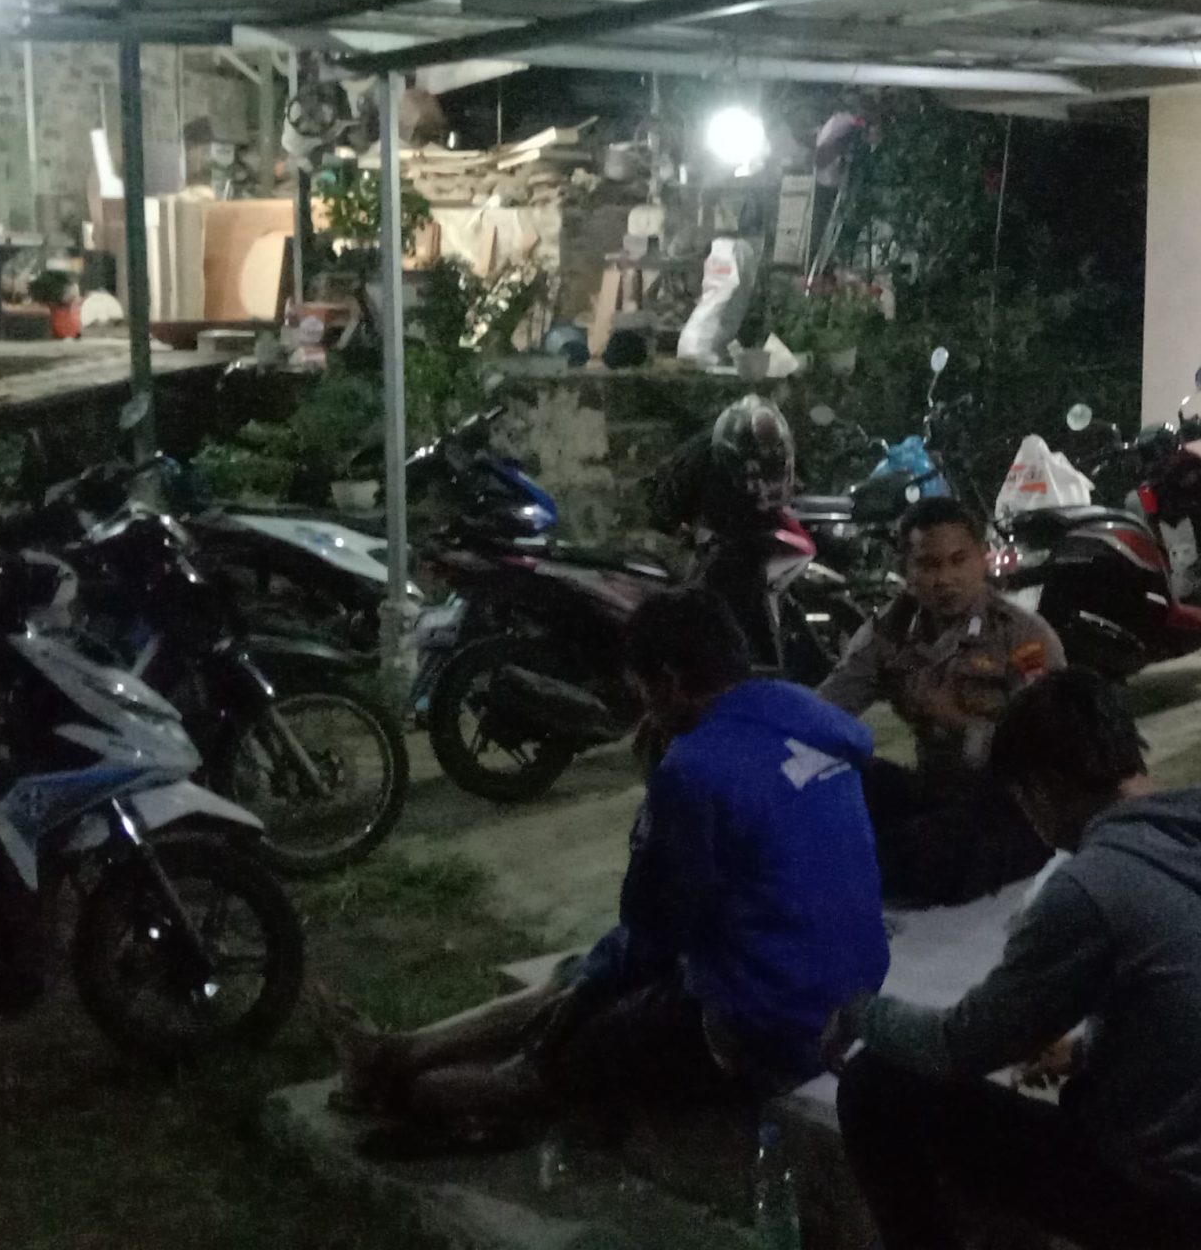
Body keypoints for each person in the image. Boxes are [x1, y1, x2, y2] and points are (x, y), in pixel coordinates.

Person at [325, 588, 888, 1145]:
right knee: (581, 975)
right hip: (842, 996)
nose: (641, 705)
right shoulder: (805, 713)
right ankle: (397, 1052)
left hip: (767, 1032)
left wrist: (586, 997)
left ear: (669, 679)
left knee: (548, 1061)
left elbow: (652, 929)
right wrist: (591, 979)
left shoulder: (694, 770)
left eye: (640, 688)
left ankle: (399, 1087)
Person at [829, 670, 1201, 1250]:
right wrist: (1084, 1051)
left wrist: (857, 1010)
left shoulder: (1094, 886)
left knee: (877, 1085)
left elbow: (957, 1047)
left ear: (1040, 788)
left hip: (1173, 1208)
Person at [816, 497, 1063, 905]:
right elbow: (822, 710)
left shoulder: (1022, 637)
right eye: (928, 565)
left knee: (915, 853)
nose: (945, 579)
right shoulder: (889, 633)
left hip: (1017, 809)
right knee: (834, 781)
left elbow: (1052, 752)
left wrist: (959, 724)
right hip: (935, 793)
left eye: (958, 560)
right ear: (906, 570)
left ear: (982, 559)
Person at [647, 395, 798, 667]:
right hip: (712, 550)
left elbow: (787, 497)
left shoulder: (776, 452)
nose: (758, 485)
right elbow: (662, 514)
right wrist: (693, 538)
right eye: (752, 469)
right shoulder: (696, 460)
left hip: (757, 548)